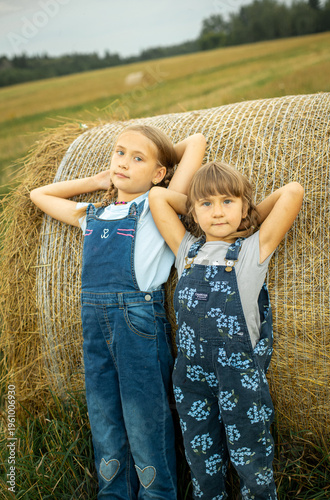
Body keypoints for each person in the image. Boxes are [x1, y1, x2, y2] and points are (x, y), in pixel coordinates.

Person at [30, 124, 207, 499]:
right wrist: (97, 178)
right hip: (95, 329)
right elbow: (39, 194)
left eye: (137, 158)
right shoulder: (92, 214)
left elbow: (196, 143)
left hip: (137, 323)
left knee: (145, 418)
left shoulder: (157, 204)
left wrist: (158, 156)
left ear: (159, 174)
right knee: (105, 419)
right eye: (119, 152)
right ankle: (112, 493)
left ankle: (157, 493)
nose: (124, 162)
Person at [149, 161, 304, 499]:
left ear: (244, 207)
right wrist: (193, 206)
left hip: (240, 375)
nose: (217, 212)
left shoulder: (253, 249)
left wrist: (248, 218)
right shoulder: (186, 249)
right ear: (193, 211)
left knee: (252, 457)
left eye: (227, 202)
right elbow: (158, 197)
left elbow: (293, 191)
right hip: (191, 376)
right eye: (207, 204)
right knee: (200, 458)